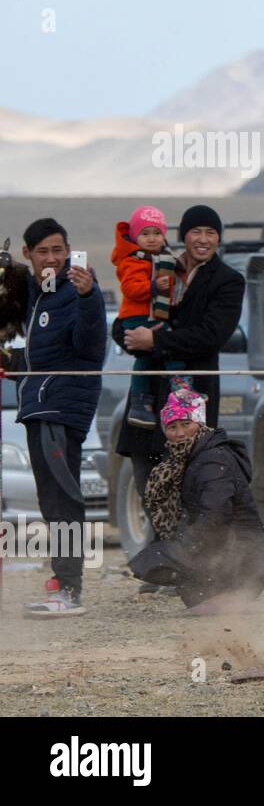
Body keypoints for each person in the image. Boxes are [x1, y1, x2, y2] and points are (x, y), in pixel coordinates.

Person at [115, 205, 245, 509]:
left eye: (211, 233)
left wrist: (155, 340)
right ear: (183, 236)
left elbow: (211, 336)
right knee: (147, 484)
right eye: (196, 232)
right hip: (146, 397)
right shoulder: (158, 266)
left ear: (219, 238)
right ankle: (161, 553)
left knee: (191, 483)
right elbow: (125, 316)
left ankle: (188, 554)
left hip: (191, 396)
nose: (203, 239)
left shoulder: (227, 280)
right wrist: (130, 336)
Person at [12, 218, 106, 617]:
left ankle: (69, 589)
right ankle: (60, 580)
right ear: (28, 255)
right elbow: (39, 355)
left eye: (58, 250)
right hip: (40, 404)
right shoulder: (37, 294)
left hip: (62, 407)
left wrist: (89, 298)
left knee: (63, 497)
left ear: (69, 251)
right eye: (43, 251)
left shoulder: (77, 291)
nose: (52, 259)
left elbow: (88, 347)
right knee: (49, 500)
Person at [128, 386, 264, 613]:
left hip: (244, 560)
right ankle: (219, 596)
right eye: (172, 427)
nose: (180, 433)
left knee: (155, 557)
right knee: (158, 559)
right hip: (226, 554)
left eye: (186, 424)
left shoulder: (212, 460)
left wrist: (180, 551)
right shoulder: (187, 459)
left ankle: (231, 596)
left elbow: (215, 516)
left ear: (200, 423)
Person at [112, 205, 184, 428]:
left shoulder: (163, 258)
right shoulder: (133, 260)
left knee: (145, 358)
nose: (152, 239)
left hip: (151, 315)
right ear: (134, 236)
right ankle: (181, 388)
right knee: (170, 344)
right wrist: (152, 286)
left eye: (157, 233)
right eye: (145, 234)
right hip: (137, 318)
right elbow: (130, 289)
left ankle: (140, 405)